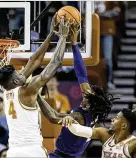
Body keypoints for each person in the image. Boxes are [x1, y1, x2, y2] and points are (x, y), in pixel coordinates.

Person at [0, 15, 71, 157]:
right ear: (16, 81)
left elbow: (34, 60)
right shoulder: (28, 89)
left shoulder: (8, 90)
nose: (21, 72)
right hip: (32, 150)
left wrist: (50, 34)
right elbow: (56, 62)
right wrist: (63, 37)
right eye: (18, 73)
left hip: (13, 151)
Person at [37, 23, 116, 158]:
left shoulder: (79, 117)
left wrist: (37, 97)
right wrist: (74, 43)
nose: (85, 92)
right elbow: (81, 74)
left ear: (90, 102)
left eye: (88, 95)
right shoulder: (92, 112)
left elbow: (52, 116)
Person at [63, 103, 136, 157]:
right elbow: (78, 130)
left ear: (124, 125)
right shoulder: (104, 134)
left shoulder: (133, 143)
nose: (112, 119)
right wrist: (71, 120)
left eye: (116, 118)